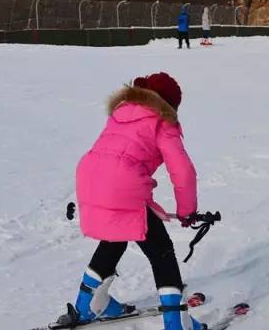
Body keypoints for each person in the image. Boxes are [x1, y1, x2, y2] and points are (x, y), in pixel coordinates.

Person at [71, 72, 203, 330]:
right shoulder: (162, 120)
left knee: (114, 237)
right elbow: (183, 172)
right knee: (161, 251)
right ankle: (175, 323)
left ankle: (86, 305)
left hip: (89, 177)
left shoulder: (123, 111)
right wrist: (187, 211)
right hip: (120, 184)